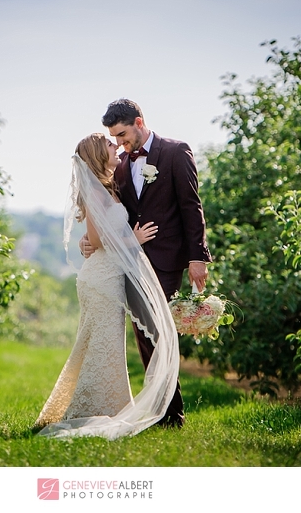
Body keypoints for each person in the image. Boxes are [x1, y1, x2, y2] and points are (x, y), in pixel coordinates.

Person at [34, 133, 180, 440]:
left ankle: (102, 408)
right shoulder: (95, 192)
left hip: (109, 277)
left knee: (99, 348)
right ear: (100, 154)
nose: (117, 148)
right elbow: (98, 239)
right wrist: (133, 240)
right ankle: (96, 411)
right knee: (104, 347)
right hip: (101, 280)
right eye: (111, 145)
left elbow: (100, 233)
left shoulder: (109, 187)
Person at [81, 98, 212, 428]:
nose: (119, 143)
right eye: (114, 137)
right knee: (144, 335)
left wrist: (197, 257)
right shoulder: (120, 164)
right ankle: (161, 412)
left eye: (122, 134)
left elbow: (191, 206)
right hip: (129, 262)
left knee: (160, 331)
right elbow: (107, 213)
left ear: (138, 123)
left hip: (166, 260)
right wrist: (90, 239)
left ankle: (172, 414)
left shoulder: (175, 152)